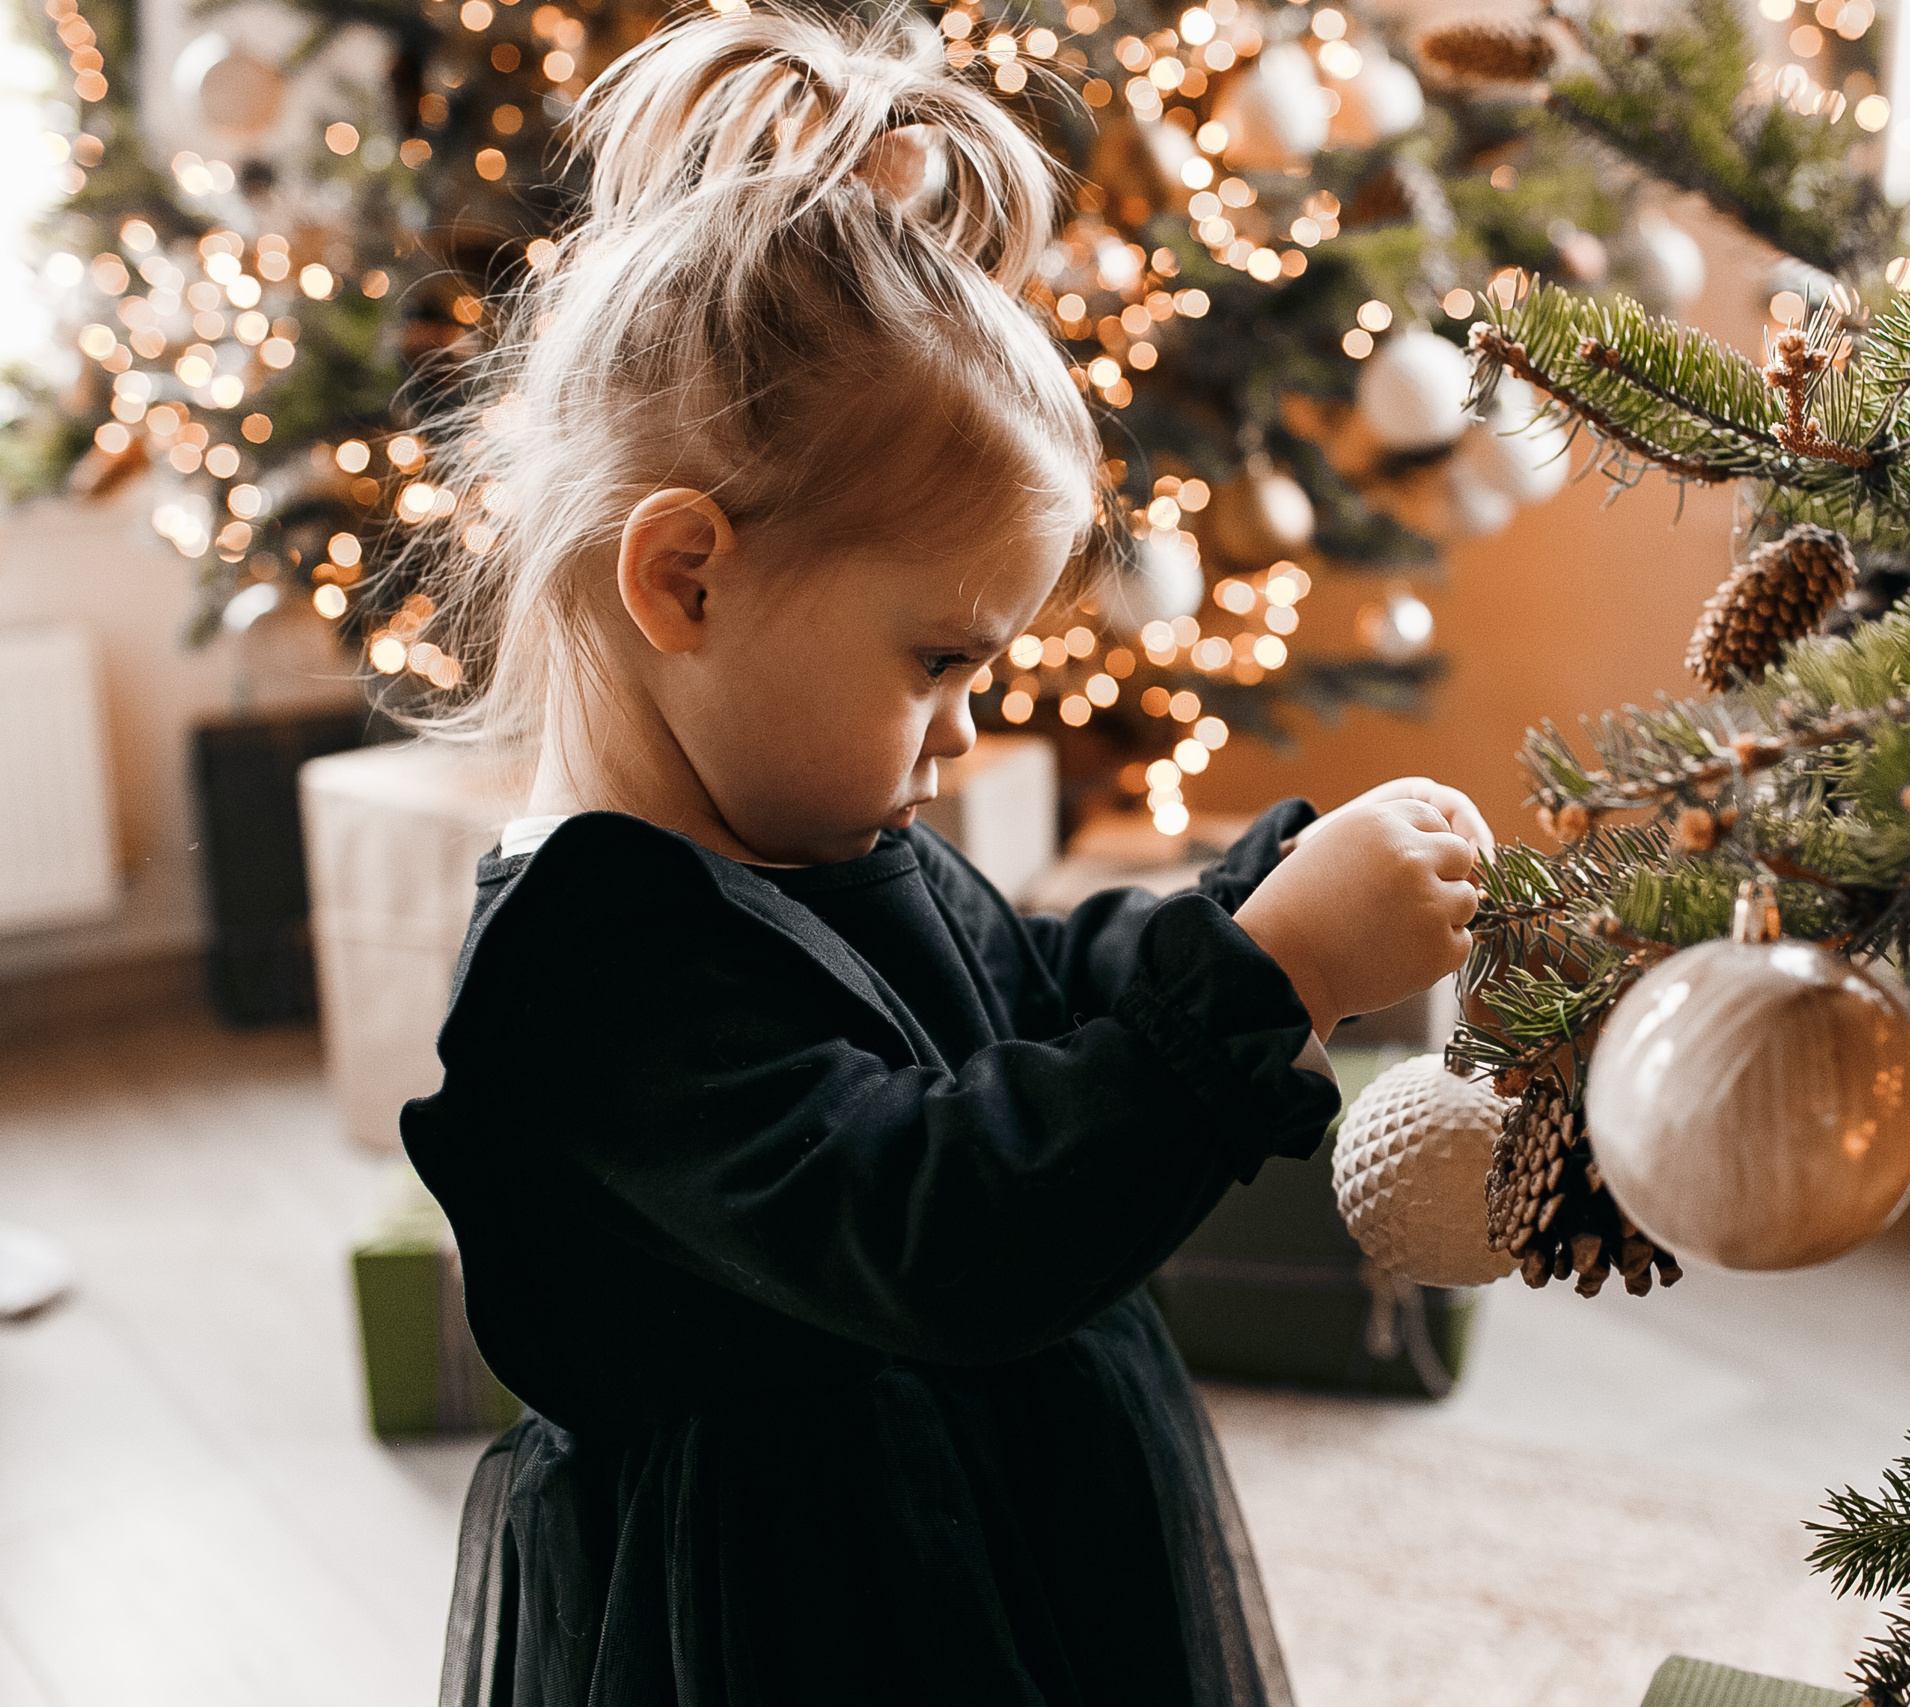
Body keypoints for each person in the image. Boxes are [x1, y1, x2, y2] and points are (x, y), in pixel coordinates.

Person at [396, 11, 1488, 1704]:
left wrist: (1242, 922)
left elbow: (1027, 997)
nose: (968, 738)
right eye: (939, 665)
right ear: (685, 579)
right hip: (802, 1622)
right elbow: (936, 1230)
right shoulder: (590, 974)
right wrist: (1279, 982)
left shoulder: (817, 825)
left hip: (995, 1521)